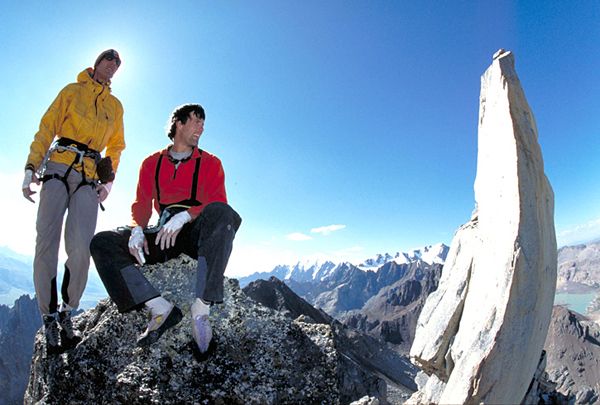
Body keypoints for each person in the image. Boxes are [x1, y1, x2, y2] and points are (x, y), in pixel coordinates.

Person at [90, 103, 241, 354]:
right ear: (178, 124)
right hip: (162, 235)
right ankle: (159, 309)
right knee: (102, 242)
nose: (201, 127)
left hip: (194, 236)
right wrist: (137, 228)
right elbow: (141, 203)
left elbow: (218, 202)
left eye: (203, 123)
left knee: (224, 215)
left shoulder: (211, 163)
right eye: (196, 121)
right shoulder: (151, 163)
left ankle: (201, 311)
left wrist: (187, 216)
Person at [22, 49, 126, 355]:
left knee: (82, 246)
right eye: (108, 59)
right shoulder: (72, 91)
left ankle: (68, 311)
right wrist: (30, 169)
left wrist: (108, 182)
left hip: (88, 175)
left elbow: (117, 146)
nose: (112, 65)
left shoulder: (115, 106)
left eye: (117, 64)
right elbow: (46, 128)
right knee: (47, 242)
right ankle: (49, 316)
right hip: (57, 167)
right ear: (96, 64)